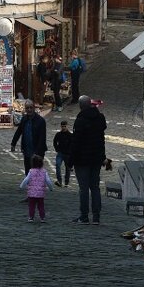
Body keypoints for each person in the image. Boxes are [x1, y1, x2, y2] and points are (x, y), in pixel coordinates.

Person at [69, 95, 107, 224]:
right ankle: (96, 216)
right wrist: (102, 157)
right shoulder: (100, 118)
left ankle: (84, 216)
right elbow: (101, 139)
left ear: (81, 106)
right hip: (96, 158)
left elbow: (76, 142)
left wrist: (70, 161)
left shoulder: (80, 120)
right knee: (95, 187)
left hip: (82, 160)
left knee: (84, 188)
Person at [10, 98, 47, 173]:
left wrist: (37, 153)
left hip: (37, 152)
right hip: (27, 150)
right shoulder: (24, 119)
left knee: (36, 172)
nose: (29, 110)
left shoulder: (40, 121)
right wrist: (13, 143)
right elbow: (18, 131)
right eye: (27, 108)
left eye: (31, 107)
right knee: (28, 171)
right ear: (25, 109)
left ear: (34, 108)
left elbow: (42, 138)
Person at [20, 154, 54, 222]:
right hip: (40, 194)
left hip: (31, 193)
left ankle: (31, 217)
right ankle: (42, 218)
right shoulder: (44, 172)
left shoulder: (31, 171)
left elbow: (26, 180)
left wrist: (22, 186)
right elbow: (48, 181)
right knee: (41, 206)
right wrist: (51, 188)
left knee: (31, 206)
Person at [52, 119, 73, 187]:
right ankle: (59, 181)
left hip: (67, 154)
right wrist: (57, 149)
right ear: (61, 126)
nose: (63, 127)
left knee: (68, 168)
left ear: (67, 126)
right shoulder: (58, 134)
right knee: (57, 165)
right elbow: (54, 142)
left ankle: (66, 183)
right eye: (62, 126)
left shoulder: (70, 135)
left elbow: (72, 145)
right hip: (60, 153)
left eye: (64, 126)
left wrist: (70, 152)